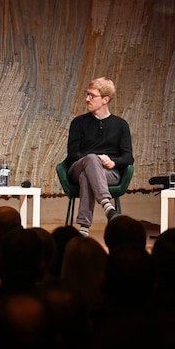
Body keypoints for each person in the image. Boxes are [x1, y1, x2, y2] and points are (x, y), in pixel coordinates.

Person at [63, 77, 134, 237]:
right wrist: (94, 158)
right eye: (87, 94)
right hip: (79, 166)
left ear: (105, 100)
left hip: (108, 173)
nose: (87, 99)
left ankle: (83, 229)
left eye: (91, 96)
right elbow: (73, 154)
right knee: (91, 160)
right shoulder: (78, 122)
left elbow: (128, 158)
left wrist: (112, 161)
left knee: (86, 176)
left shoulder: (121, 125)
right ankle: (107, 206)